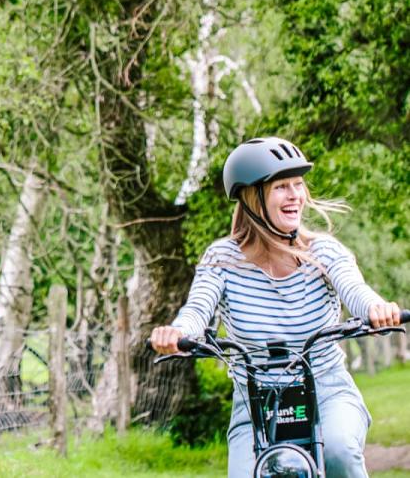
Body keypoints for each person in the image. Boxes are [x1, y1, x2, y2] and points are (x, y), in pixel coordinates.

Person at [150, 136, 402, 478]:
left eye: (298, 184)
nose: (296, 195)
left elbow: (357, 292)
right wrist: (179, 332)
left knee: (340, 452)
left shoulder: (324, 252)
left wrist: (376, 309)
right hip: (255, 403)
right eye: (282, 186)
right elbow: (197, 311)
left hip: (326, 391)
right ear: (253, 198)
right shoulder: (222, 259)